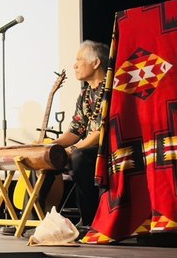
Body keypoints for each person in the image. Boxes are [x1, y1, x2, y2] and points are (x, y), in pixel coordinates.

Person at [48, 40, 110, 230]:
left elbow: (101, 132)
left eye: (79, 59)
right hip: (86, 148)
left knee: (79, 156)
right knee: (45, 155)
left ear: (96, 63)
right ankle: (44, 219)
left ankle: (89, 220)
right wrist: (52, 146)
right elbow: (75, 130)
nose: (74, 65)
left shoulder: (111, 88)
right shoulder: (85, 94)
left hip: (108, 147)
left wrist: (73, 149)